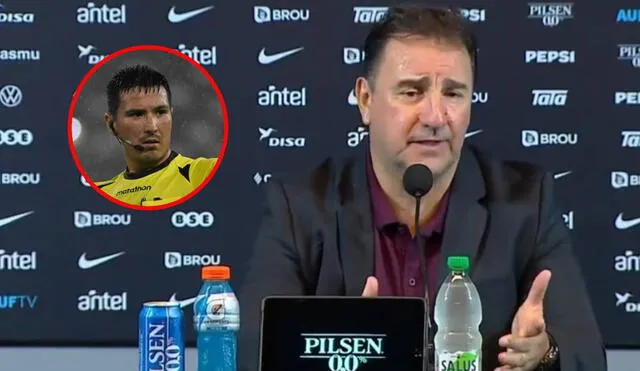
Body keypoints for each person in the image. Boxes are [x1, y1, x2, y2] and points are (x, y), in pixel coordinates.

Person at [238, 6, 606, 371]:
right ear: (366, 100)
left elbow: (587, 355)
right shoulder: (300, 207)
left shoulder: (526, 202)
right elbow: (253, 355)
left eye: (454, 94)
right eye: (412, 92)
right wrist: (339, 349)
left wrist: (543, 353)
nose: (434, 117)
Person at [95, 64, 217, 207]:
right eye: (137, 114)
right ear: (111, 124)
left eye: (160, 112)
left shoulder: (207, 172)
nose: (152, 127)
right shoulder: (98, 193)